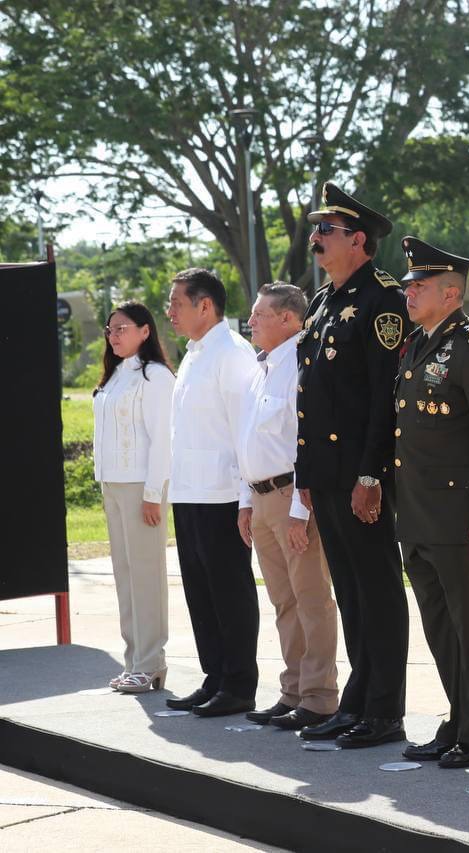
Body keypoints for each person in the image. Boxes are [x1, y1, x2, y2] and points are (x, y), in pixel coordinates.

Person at [393, 238, 469, 770]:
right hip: (418, 515)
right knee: (440, 627)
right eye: (408, 284)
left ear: (451, 292)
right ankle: (457, 718)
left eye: (419, 285)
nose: (409, 291)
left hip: (462, 518)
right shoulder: (418, 344)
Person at [295, 182, 411, 749]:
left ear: (359, 241)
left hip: (362, 474)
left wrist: (371, 475)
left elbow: (384, 397)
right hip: (328, 473)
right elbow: (309, 394)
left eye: (327, 230)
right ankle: (358, 701)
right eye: (316, 229)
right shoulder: (323, 301)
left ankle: (385, 711)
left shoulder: (382, 300)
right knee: (350, 589)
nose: (316, 238)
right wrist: (306, 473)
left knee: (377, 588)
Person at [236, 282, 340, 730]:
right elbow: (249, 442)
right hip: (261, 499)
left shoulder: (300, 363)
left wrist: (301, 511)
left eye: (260, 315)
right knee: (283, 601)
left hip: (290, 498)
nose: (252, 321)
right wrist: (245, 503)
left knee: (311, 598)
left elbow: (306, 444)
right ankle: (293, 689)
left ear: (289, 319)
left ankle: (319, 696)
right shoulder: (261, 368)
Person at [163, 268, 262, 717]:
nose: (170, 312)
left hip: (222, 493)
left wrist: (246, 498)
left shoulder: (232, 353)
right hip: (189, 492)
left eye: (177, 303)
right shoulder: (193, 354)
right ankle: (215, 675)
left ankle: (239, 683)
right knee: (200, 591)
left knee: (229, 590)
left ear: (206, 305)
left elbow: (246, 430)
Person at [93, 301, 175, 694]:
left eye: (122, 328)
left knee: (146, 576)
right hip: (113, 485)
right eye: (110, 330)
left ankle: (151, 661)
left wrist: (153, 493)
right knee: (125, 576)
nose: (114, 335)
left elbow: (163, 440)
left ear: (145, 330)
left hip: (142, 487)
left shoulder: (154, 376)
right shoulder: (114, 377)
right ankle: (134, 660)